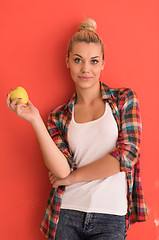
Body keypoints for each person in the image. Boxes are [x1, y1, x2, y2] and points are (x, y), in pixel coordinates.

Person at [7, 18, 148, 240]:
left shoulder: (124, 100)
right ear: (68, 61)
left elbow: (128, 155)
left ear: (103, 63)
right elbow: (62, 172)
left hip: (111, 216)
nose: (85, 69)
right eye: (78, 60)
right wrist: (35, 120)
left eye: (93, 61)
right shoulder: (58, 117)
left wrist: (74, 178)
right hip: (67, 213)